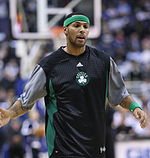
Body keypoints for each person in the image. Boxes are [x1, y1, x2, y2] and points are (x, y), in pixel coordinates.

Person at [0, 12, 147, 158]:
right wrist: (10, 113)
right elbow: (26, 101)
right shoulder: (48, 66)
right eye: (76, 26)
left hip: (94, 149)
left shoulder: (104, 62)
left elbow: (120, 95)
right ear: (65, 30)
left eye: (85, 26)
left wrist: (134, 107)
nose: (82, 29)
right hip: (62, 151)